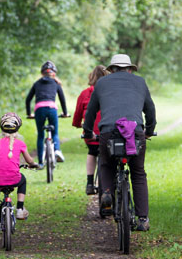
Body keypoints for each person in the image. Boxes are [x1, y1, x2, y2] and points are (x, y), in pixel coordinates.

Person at [83, 54, 156, 231]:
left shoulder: (101, 84)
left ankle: (107, 194)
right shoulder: (140, 82)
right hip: (135, 132)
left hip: (108, 132)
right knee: (138, 173)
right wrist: (148, 131)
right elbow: (150, 109)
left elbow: (91, 112)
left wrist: (87, 132)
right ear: (130, 68)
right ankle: (143, 219)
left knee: (106, 165)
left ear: (112, 69)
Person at [0, 112, 38, 233]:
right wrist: (33, 164)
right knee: (23, 180)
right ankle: (20, 209)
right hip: (15, 178)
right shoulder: (20, 144)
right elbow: (29, 160)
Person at [72, 65, 109, 195]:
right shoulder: (110, 92)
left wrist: (77, 124)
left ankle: (89, 182)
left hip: (90, 132)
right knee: (109, 155)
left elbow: (77, 114)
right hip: (108, 132)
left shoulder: (85, 93)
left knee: (92, 152)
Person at [26, 60, 69, 169]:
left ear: (42, 73)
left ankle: (40, 163)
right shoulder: (56, 83)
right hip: (51, 109)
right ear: (54, 73)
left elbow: (28, 100)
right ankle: (57, 151)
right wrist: (65, 113)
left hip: (39, 109)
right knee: (54, 132)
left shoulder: (37, 83)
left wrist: (29, 114)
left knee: (41, 134)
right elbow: (62, 100)